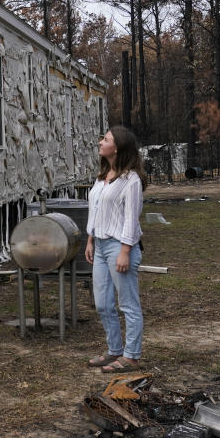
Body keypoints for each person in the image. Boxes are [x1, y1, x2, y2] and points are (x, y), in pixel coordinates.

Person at [84, 125, 147, 373]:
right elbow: (95, 211)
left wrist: (125, 250)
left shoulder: (130, 180)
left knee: (128, 304)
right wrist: (90, 240)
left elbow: (132, 219)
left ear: (117, 147)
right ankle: (114, 351)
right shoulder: (102, 177)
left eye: (106, 139)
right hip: (99, 245)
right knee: (102, 304)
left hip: (119, 247)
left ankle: (131, 356)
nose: (101, 142)